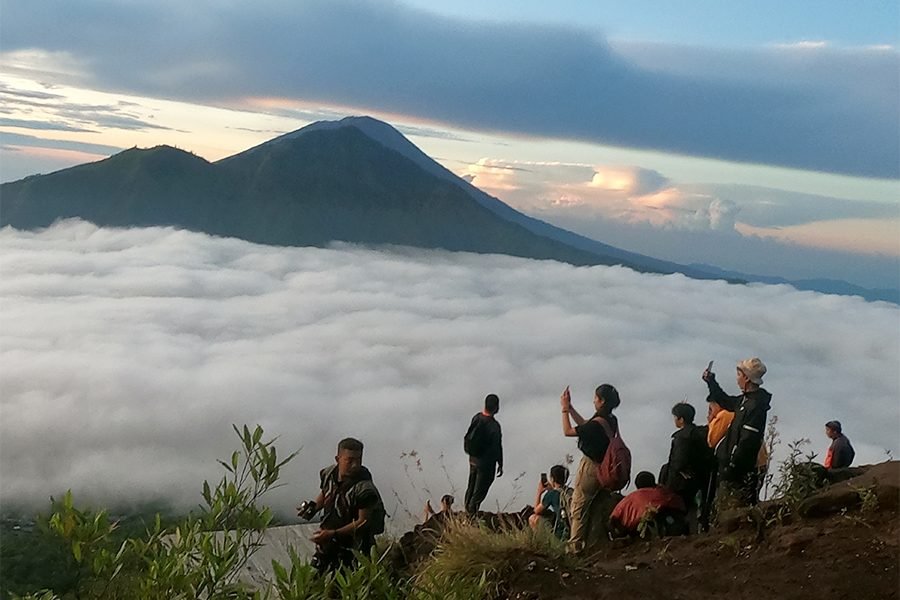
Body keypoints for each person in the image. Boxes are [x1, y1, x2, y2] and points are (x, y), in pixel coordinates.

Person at [298, 438, 385, 574]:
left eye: (358, 460)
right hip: (328, 543)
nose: (355, 465)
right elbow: (326, 492)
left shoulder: (365, 489)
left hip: (355, 549)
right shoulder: (328, 474)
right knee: (313, 583)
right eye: (349, 461)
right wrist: (313, 508)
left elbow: (363, 521)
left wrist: (333, 534)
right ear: (338, 459)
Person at [702, 357, 772, 510]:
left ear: (746, 378)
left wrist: (732, 468)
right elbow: (726, 401)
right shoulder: (746, 401)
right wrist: (711, 382)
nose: (737, 379)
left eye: (739, 375)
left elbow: (747, 442)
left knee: (733, 510)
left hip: (738, 472)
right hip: (733, 468)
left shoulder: (754, 406)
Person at [560, 383, 622, 553]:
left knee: (578, 506)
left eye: (595, 398)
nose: (593, 401)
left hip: (590, 468)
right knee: (595, 506)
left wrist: (564, 410)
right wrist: (571, 408)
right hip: (604, 468)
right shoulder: (610, 419)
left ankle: (575, 548)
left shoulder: (597, 424)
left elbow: (568, 431)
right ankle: (595, 545)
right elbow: (586, 426)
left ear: (601, 401)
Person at [663, 402, 713, 532]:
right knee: (699, 508)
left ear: (681, 419)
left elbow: (678, 462)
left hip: (682, 483)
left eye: (675, 417)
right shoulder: (703, 432)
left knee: (681, 510)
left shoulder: (681, 437)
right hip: (702, 478)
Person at [610, 471, 687, 537]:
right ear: (653, 483)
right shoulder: (663, 493)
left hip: (640, 534)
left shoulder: (628, 499)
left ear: (637, 486)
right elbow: (681, 506)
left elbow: (613, 518)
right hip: (670, 529)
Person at [463, 394, 503, 514]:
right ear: (496, 407)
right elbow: (497, 447)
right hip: (485, 464)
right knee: (479, 491)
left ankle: (467, 511)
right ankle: (471, 515)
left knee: (471, 486)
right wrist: (500, 463)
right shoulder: (494, 426)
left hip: (473, 459)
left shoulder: (476, 418)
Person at [528, 465, 573, 539]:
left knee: (533, 518)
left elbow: (536, 511)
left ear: (552, 479)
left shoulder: (551, 494)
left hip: (560, 534)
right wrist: (552, 489)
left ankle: (542, 543)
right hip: (572, 530)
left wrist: (539, 492)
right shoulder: (571, 491)